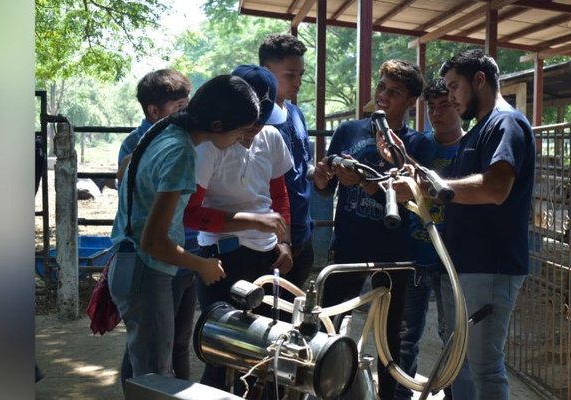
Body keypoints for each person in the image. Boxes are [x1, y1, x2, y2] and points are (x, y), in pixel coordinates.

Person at [108, 75, 259, 389]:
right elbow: (153, 242)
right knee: (154, 378)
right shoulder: (182, 153)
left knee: (145, 368)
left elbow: (128, 175)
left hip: (127, 262)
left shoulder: (164, 129)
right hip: (146, 271)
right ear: (218, 124)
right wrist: (200, 264)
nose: (243, 138)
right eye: (241, 130)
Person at [312, 59, 433, 400]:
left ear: (411, 102)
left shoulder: (416, 145)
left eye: (394, 92)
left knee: (389, 338)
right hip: (348, 248)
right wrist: (322, 180)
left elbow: (412, 197)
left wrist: (368, 184)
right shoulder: (349, 132)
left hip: (394, 254)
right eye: (382, 87)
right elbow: (327, 186)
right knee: (329, 325)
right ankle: (325, 390)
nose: (384, 96)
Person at [182, 65, 292, 393]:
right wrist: (251, 220)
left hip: (267, 256)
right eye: (250, 124)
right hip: (223, 258)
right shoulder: (209, 147)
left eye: (261, 122)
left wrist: (284, 243)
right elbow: (190, 215)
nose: (255, 131)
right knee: (223, 355)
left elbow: (279, 193)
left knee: (270, 351)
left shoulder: (271, 137)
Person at [438, 49, 535, 400]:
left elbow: (495, 188)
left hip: (490, 267)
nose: (450, 97)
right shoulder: (479, 131)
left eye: (454, 87)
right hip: (466, 266)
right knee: (460, 364)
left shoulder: (505, 123)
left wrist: (431, 188)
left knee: (485, 368)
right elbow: (449, 186)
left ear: (479, 80)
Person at [115, 69, 200, 381]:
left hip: (184, 248)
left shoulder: (182, 138)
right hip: (157, 255)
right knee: (148, 346)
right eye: (179, 106)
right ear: (154, 111)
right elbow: (125, 179)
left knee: (176, 339)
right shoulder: (140, 143)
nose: (187, 112)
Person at [394, 78, 464, 400]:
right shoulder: (420, 145)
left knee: (452, 337)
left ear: (458, 105)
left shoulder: (470, 147)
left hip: (452, 260)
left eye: (444, 105)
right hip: (415, 253)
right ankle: (402, 394)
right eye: (431, 107)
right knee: (406, 336)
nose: (436, 113)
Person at [258, 33, 316, 307]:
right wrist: (281, 238)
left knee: (292, 313)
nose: (298, 82)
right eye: (290, 75)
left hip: (303, 230)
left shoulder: (295, 113)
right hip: (273, 238)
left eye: (301, 74)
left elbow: (301, 166)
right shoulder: (254, 121)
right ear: (266, 72)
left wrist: (318, 172)